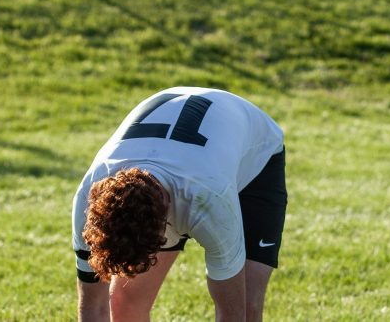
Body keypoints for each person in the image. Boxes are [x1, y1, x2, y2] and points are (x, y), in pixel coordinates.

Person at [72, 86, 287, 321]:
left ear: (165, 224)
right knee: (124, 301)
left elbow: (232, 315)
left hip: (255, 159)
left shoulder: (210, 202)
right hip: (188, 156)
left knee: (247, 307)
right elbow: (93, 308)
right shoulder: (89, 199)